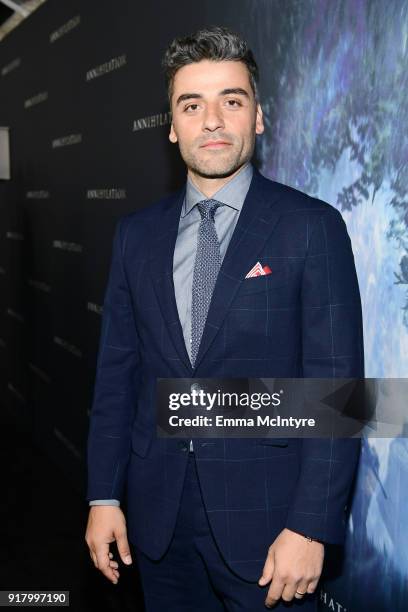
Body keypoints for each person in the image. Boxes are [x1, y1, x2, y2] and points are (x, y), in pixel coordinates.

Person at [85, 25, 364, 611]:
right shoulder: (136, 236)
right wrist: (103, 497)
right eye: (192, 105)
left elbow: (340, 393)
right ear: (171, 125)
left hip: (271, 531)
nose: (211, 121)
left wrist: (311, 527)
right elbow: (117, 378)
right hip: (158, 526)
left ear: (257, 117)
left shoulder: (311, 227)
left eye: (230, 101)